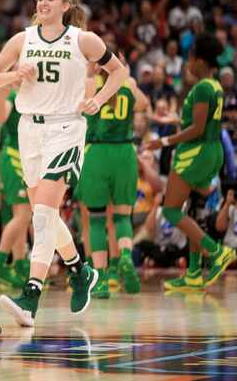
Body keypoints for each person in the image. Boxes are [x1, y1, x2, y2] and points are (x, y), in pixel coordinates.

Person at [0, 0, 128, 327]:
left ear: (66, 5)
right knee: (43, 213)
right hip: (28, 129)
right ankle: (79, 270)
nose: (42, 2)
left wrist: (99, 98)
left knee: (43, 214)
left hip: (66, 128)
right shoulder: (23, 39)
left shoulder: (83, 40)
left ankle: (31, 295)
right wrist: (15, 75)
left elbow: (120, 72)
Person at [145, 33, 237, 290]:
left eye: (191, 58)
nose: (188, 62)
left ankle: (216, 252)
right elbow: (201, 123)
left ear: (199, 61)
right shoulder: (215, 86)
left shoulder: (202, 88)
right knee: (192, 211)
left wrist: (163, 142)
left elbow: (196, 128)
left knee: (171, 210)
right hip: (211, 150)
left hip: (195, 153)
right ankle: (194, 273)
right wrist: (175, 120)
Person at [76, 61, 149, 299]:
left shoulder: (91, 83)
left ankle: (101, 280)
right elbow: (144, 105)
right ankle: (126, 257)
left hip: (97, 153)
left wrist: (88, 75)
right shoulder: (126, 85)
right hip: (126, 154)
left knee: (96, 220)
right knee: (121, 215)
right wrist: (129, 79)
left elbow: (82, 108)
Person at [0, 84, 31, 288]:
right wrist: (2, 93)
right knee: (23, 215)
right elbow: (1, 118)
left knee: (21, 216)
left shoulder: (35, 94)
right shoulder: (14, 95)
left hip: (25, 157)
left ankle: (20, 265)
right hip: (15, 157)